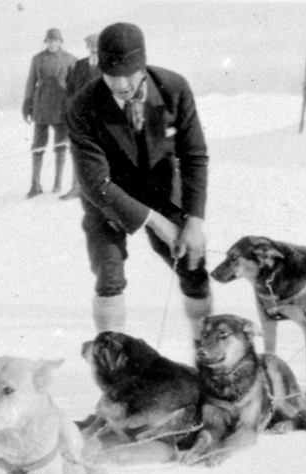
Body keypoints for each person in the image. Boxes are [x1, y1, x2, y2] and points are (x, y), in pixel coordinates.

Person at [66, 22, 211, 338]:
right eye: (110, 75)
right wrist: (155, 222)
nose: (120, 84)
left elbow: (194, 156)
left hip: (161, 188)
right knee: (109, 277)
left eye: (128, 74)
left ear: (142, 66)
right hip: (108, 198)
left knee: (191, 261)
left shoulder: (174, 88)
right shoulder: (82, 107)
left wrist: (194, 222)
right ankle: (112, 366)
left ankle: (205, 348)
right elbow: (94, 183)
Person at [22, 28, 77, 198]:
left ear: (61, 42)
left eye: (56, 40)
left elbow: (75, 87)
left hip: (61, 108)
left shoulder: (70, 60)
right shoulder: (37, 59)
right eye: (49, 41)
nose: (52, 44)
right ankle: (35, 184)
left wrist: (74, 108)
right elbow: (31, 83)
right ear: (45, 42)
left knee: (60, 146)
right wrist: (27, 104)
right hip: (41, 106)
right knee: (38, 146)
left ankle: (57, 183)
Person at [59, 33, 102, 201]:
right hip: (81, 117)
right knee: (77, 151)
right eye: (90, 45)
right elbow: (71, 90)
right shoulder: (80, 65)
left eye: (96, 45)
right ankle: (76, 188)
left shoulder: (108, 66)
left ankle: (99, 190)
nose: (93, 48)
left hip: (100, 118)